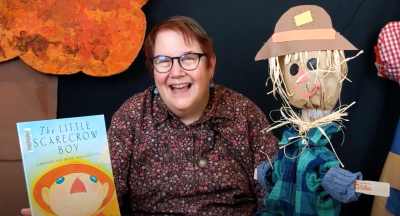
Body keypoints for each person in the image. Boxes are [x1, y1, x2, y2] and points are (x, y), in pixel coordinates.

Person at [21, 15, 279, 216]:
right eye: (164, 61)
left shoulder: (242, 112)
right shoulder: (133, 116)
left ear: (210, 64)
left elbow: (275, 196)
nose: (176, 72)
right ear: (153, 70)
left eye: (189, 58)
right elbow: (105, 197)